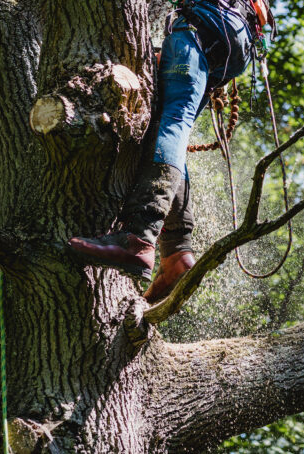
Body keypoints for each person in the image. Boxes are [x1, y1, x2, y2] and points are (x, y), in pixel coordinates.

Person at [69, 0, 275, 303]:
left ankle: (139, 235)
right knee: (167, 124)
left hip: (206, 24)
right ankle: (177, 251)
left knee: (174, 121)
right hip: (230, 37)